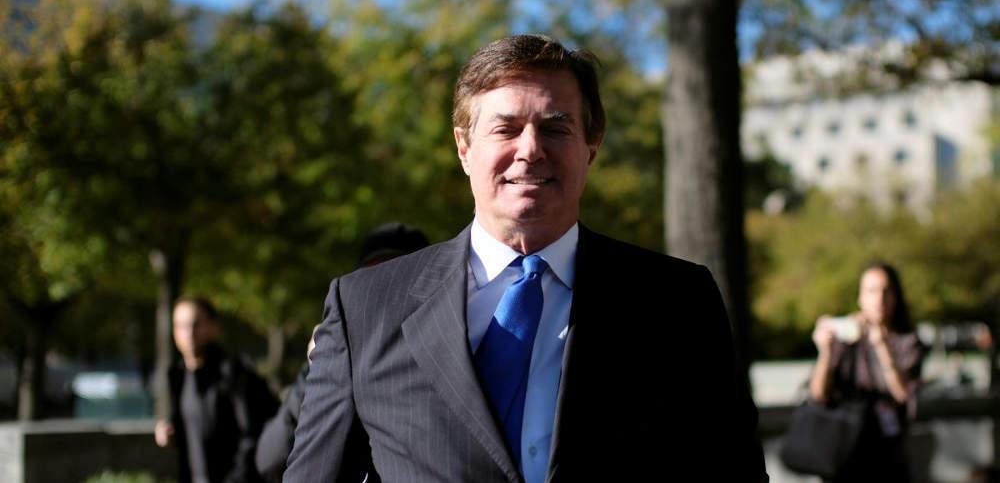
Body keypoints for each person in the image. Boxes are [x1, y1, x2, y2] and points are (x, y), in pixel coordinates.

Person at [284, 34, 767, 482]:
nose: (531, 150)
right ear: (464, 148)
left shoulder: (677, 301)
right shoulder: (365, 307)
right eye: (506, 129)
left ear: (591, 148)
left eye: (556, 128)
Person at [254, 223, 430, 482]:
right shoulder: (343, 343)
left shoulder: (441, 355)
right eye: (374, 274)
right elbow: (271, 459)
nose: (384, 285)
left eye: (398, 272)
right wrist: (315, 371)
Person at [808, 262, 926, 482]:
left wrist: (881, 345)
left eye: (886, 291)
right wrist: (825, 352)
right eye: (871, 291)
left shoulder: (907, 341)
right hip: (844, 450)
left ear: (896, 296)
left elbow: (903, 394)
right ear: (860, 297)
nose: (879, 299)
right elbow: (818, 394)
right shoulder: (846, 336)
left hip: (888, 454)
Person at [155, 297, 279, 483]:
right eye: (180, 326)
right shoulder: (176, 376)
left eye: (195, 325)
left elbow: (252, 435)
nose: (188, 333)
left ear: (214, 328)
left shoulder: (235, 373)